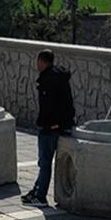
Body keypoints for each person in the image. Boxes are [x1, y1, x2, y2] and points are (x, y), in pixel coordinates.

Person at [23, 49, 75, 206]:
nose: (37, 65)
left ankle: (40, 196)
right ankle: (36, 190)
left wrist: (45, 124)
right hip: (63, 125)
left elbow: (48, 107)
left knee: (45, 163)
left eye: (38, 61)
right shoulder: (60, 77)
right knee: (44, 162)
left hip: (50, 128)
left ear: (42, 61)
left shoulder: (48, 80)